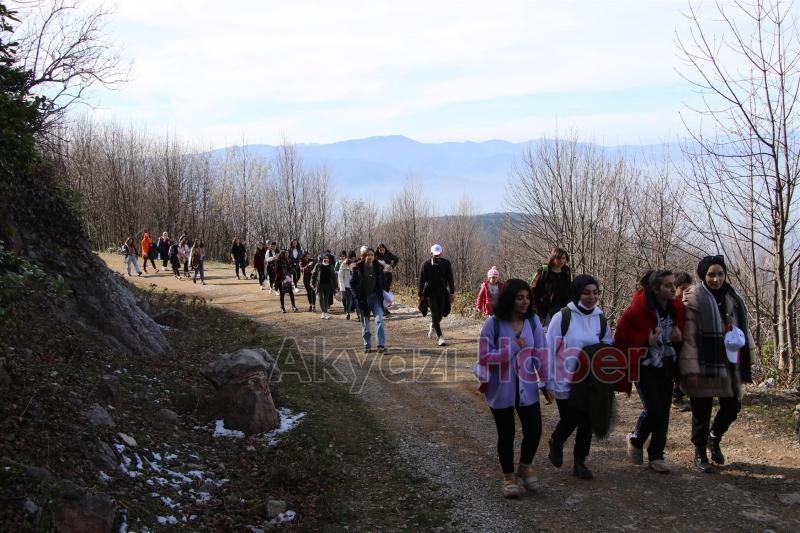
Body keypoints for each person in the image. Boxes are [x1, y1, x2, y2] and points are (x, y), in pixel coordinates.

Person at [476, 279, 554, 498]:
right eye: (520, 298)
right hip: (500, 388)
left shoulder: (533, 323)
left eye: (528, 297)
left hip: (527, 386)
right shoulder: (493, 324)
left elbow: (542, 353)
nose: (525, 302)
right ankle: (509, 477)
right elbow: (483, 356)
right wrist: (510, 348)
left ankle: (525, 466)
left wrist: (547, 382)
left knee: (534, 430)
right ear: (509, 299)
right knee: (506, 433)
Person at [679, 255, 753, 473]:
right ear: (703, 275)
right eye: (711, 274)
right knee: (701, 409)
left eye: (720, 274)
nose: (716, 279)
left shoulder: (732, 296)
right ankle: (700, 452)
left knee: (732, 406)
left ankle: (714, 437)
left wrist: (747, 357)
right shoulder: (693, 297)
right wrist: (689, 367)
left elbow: (742, 327)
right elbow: (689, 335)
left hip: (729, 360)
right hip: (703, 360)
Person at [615, 270, 685, 474]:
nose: (673, 289)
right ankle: (636, 439)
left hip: (667, 363)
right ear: (655, 289)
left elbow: (685, 328)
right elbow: (621, 338)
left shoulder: (677, 308)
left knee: (663, 411)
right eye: (667, 285)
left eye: (674, 284)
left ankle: (656, 455)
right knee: (653, 409)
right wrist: (646, 343)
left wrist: (679, 337)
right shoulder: (635, 311)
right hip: (643, 366)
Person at [546, 274, 613, 480]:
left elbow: (608, 347)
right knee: (570, 418)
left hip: (590, 382)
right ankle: (557, 441)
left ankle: (580, 462)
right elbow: (547, 350)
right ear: (577, 293)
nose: (591, 297)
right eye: (586, 292)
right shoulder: (562, 317)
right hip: (564, 380)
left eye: (595, 292)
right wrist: (546, 382)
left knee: (586, 421)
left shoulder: (600, 319)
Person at [351, 247, 387, 353]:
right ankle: (367, 345)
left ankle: (380, 345)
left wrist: (386, 290)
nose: (370, 257)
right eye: (368, 255)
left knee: (379, 319)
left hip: (376, 298)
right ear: (364, 256)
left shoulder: (378, 268)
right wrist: (357, 298)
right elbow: (352, 284)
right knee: (365, 324)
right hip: (364, 299)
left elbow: (384, 281)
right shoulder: (358, 268)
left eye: (372, 255)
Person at [418, 244, 455, 346]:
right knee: (435, 313)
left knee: (442, 313)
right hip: (430, 292)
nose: (437, 257)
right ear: (431, 254)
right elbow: (421, 281)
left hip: (442, 291)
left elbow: (450, 278)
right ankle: (440, 337)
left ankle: (433, 325)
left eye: (439, 254)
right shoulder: (426, 265)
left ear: (441, 253)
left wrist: (452, 292)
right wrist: (420, 294)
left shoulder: (446, 264)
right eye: (435, 255)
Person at [531, 247, 572, 327]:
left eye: (563, 258)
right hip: (545, 309)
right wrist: (537, 307)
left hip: (562, 307)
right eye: (559, 258)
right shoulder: (544, 270)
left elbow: (568, 287)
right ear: (553, 258)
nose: (561, 261)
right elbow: (533, 288)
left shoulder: (566, 271)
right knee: (547, 331)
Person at [672, 272, 693, 411]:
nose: (686, 291)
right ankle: (676, 396)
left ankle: (681, 393)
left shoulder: (689, 302)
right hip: (674, 341)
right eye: (683, 288)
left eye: (688, 288)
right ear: (676, 288)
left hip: (686, 341)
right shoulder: (672, 304)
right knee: (677, 369)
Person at [312, 252, 338, 319]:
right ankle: (323, 312)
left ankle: (326, 313)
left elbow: (334, 277)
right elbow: (314, 274)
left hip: (328, 285)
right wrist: (312, 283)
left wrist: (336, 286)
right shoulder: (318, 265)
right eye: (324, 258)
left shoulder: (331, 266)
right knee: (320, 298)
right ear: (322, 259)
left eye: (327, 258)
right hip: (320, 285)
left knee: (326, 299)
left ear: (329, 259)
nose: (325, 259)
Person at [375, 243, 400, 315]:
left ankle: (384, 308)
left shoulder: (388, 254)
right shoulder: (376, 256)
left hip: (388, 276)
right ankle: (383, 309)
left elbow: (396, 259)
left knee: (386, 293)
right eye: (380, 249)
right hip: (380, 277)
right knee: (381, 293)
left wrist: (392, 266)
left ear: (385, 249)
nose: (381, 251)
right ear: (378, 250)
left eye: (383, 249)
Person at [338, 251, 356, 320]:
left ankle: (359, 314)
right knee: (349, 300)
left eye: (354, 258)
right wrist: (342, 288)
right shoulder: (343, 264)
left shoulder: (355, 264)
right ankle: (348, 313)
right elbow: (340, 277)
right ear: (349, 258)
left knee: (356, 300)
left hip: (354, 285)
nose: (353, 259)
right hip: (347, 285)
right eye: (352, 258)